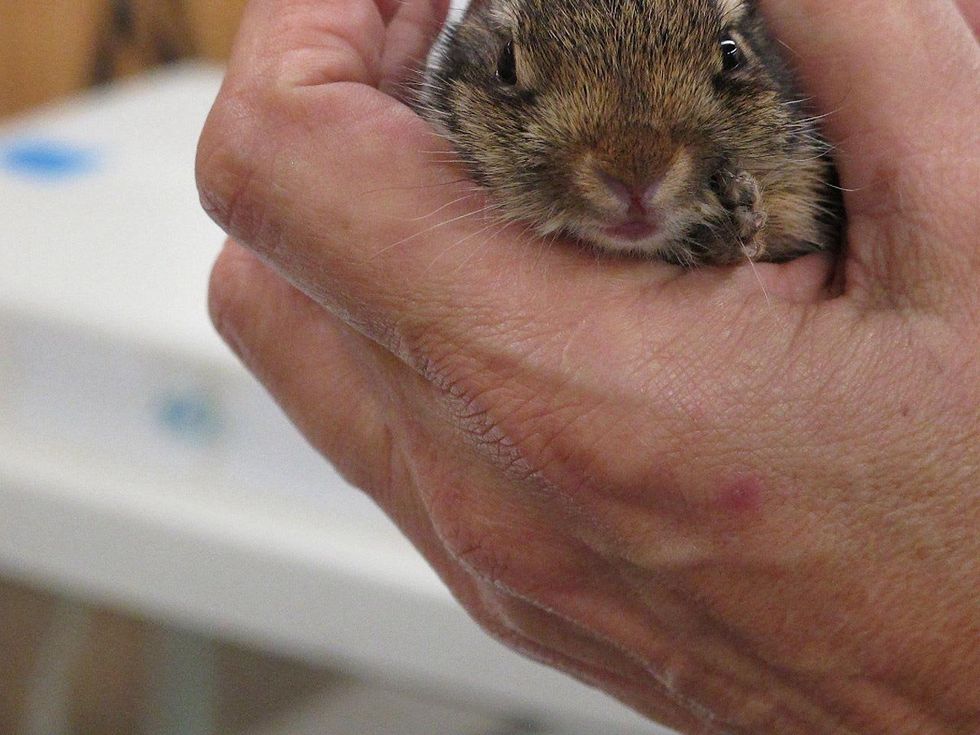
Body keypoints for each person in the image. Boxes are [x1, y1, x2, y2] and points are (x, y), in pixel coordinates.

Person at [195, 1, 979, 731]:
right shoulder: (440, 164)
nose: (636, 163)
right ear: (470, 67)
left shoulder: (810, 164)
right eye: (512, 76)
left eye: (726, 58)